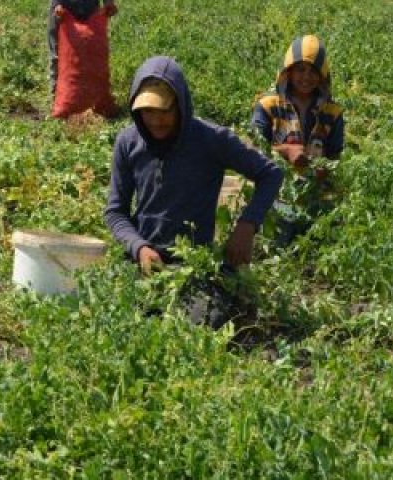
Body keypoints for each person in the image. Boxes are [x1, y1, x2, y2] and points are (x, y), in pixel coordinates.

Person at [105, 56, 283, 327]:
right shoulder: (128, 142)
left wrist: (247, 225)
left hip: (193, 264)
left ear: (181, 105)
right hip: (144, 260)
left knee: (200, 322)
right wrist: (139, 247)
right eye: (147, 111)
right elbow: (115, 212)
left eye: (165, 111)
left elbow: (270, 174)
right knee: (113, 314)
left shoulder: (210, 139)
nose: (156, 120)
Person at [251, 34, 345, 246]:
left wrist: (324, 168)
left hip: (317, 195)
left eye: (313, 71)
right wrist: (286, 151)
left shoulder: (332, 112)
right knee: (277, 243)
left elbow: (335, 155)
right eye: (300, 69)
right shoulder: (267, 105)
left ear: (322, 75)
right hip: (276, 193)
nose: (306, 77)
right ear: (288, 71)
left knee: (322, 244)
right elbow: (253, 150)